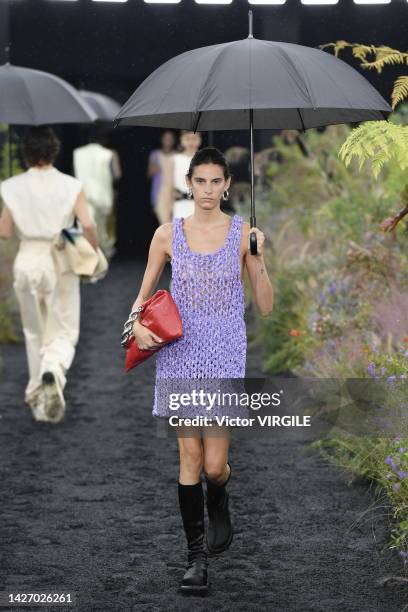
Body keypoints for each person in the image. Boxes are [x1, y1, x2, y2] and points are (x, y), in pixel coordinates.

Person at [127, 147, 273, 594]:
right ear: (188, 183)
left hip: (226, 353)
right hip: (180, 354)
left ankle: (221, 495)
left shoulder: (243, 233)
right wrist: (137, 329)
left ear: (228, 184)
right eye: (201, 181)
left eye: (217, 181)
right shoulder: (166, 234)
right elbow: (141, 298)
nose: (208, 190)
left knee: (214, 467)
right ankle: (196, 561)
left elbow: (266, 307)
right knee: (190, 460)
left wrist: (259, 256)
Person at [0, 126, 98, 423]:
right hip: (59, 258)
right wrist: (90, 254)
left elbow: (4, 232)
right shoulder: (70, 185)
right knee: (65, 328)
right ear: (54, 151)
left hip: (27, 259)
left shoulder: (11, 185)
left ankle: (37, 399)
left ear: (25, 154)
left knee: (34, 330)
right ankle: (53, 369)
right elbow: (89, 225)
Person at [73, 134, 121, 257]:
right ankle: (103, 254)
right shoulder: (109, 153)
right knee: (103, 228)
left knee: (86, 225)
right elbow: (117, 175)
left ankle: (90, 255)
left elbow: (73, 175)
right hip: (104, 197)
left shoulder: (77, 153)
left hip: (83, 195)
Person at [158, 130, 202, 223]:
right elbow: (167, 188)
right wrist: (166, 217)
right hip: (180, 207)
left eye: (194, 138)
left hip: (202, 207)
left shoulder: (206, 160)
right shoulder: (174, 160)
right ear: (181, 140)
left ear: (199, 140)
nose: (191, 142)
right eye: (188, 138)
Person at [147, 130, 176, 225]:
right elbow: (149, 174)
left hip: (176, 193)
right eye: (166, 138)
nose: (168, 140)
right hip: (160, 194)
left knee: (176, 224)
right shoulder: (155, 155)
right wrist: (153, 169)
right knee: (165, 224)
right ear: (161, 139)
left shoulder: (177, 155)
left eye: (170, 138)